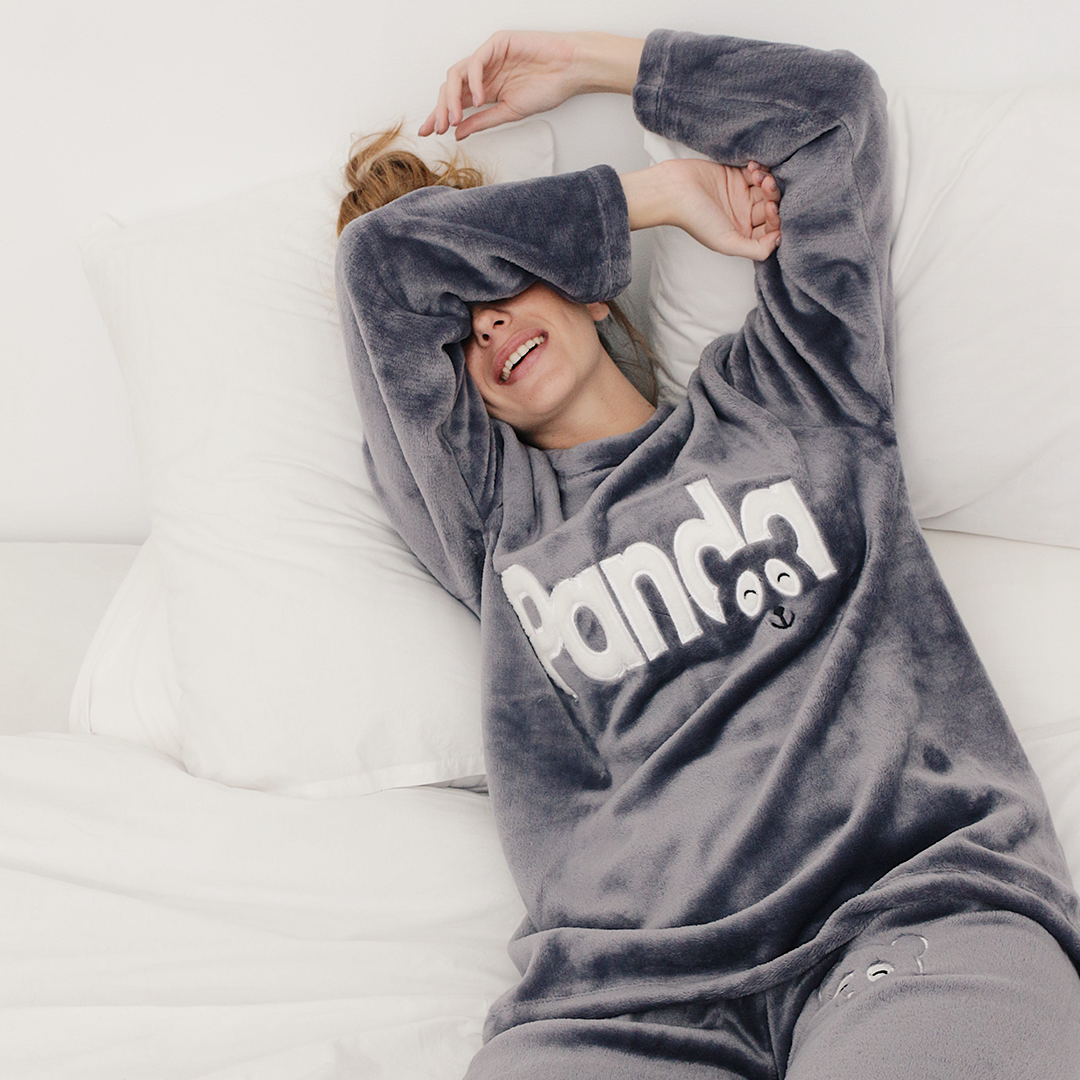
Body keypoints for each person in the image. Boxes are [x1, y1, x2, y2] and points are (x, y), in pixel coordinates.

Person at [335, 29, 1080, 1079]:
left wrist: (593, 65)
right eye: (457, 334)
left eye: (504, 285)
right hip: (628, 997)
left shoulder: (794, 391)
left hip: (908, 906)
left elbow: (830, 110)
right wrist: (656, 197)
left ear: (591, 288)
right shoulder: (493, 516)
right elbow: (382, 264)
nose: (485, 329)